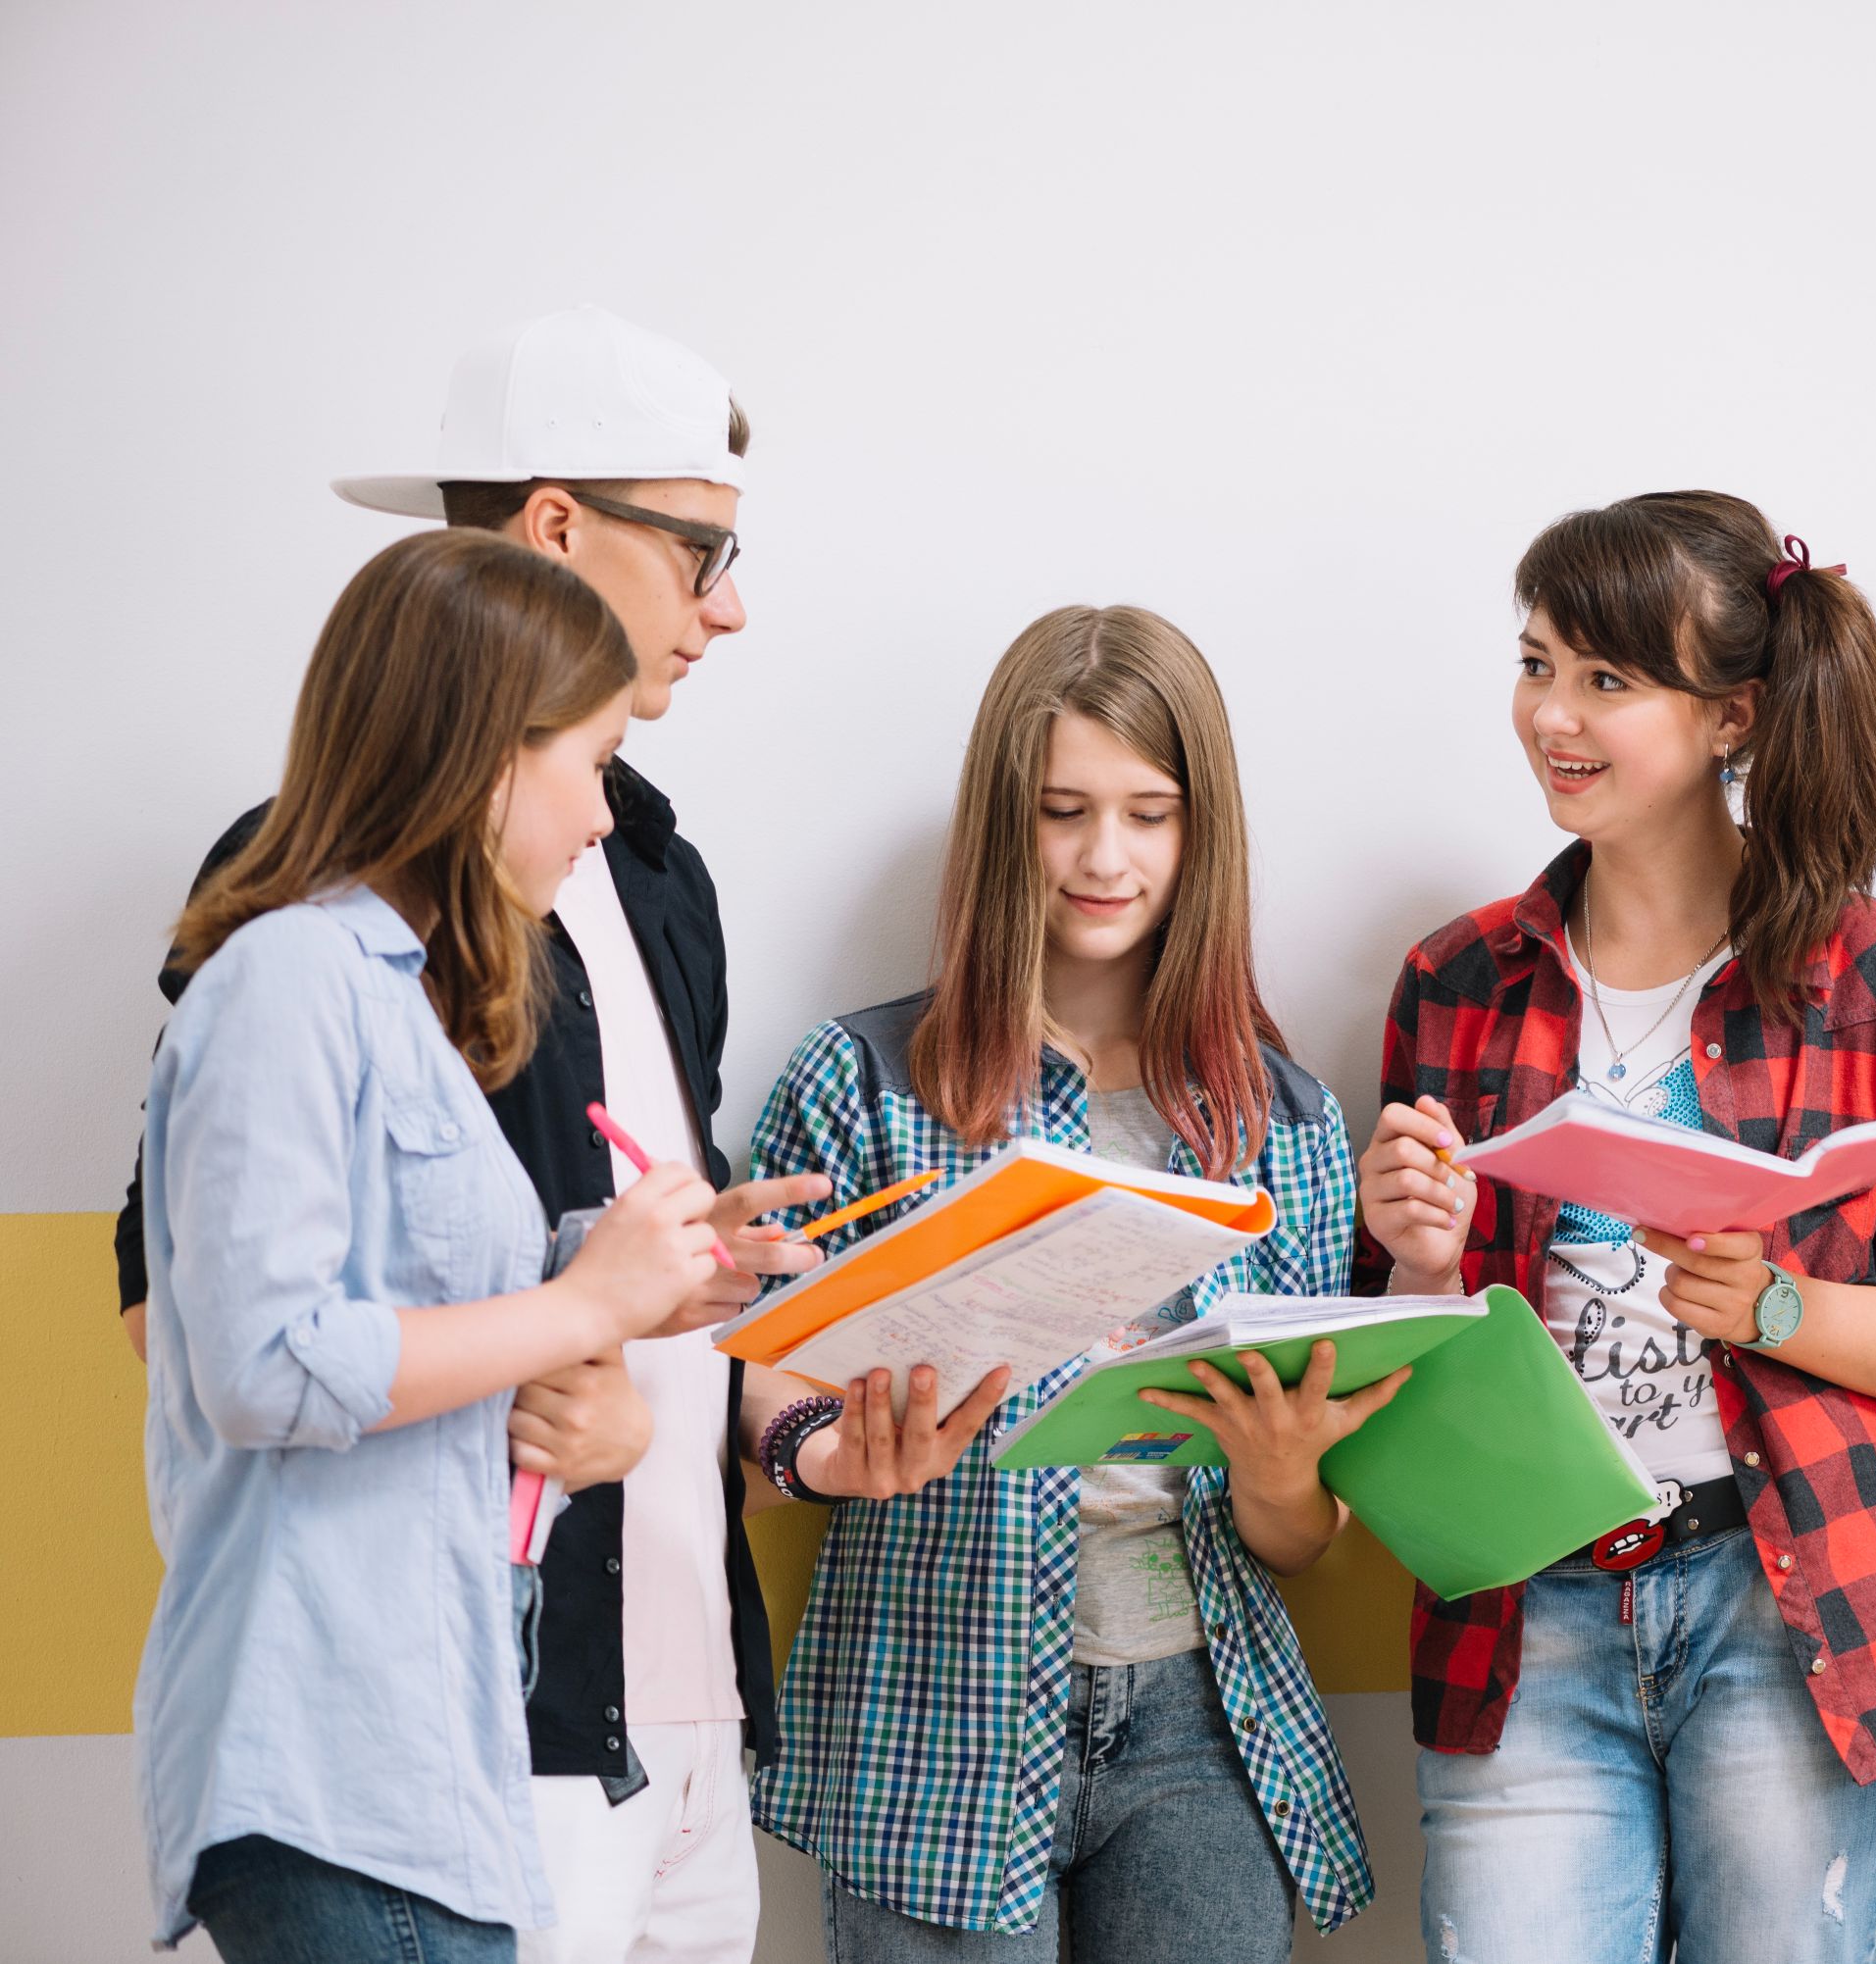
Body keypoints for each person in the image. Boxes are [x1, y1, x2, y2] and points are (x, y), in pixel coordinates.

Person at [112, 304, 981, 1964]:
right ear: (559, 530)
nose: (730, 609)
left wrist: (787, 1428)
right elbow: (201, 1324)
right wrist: (558, 1350)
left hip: (689, 1691)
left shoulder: (656, 870)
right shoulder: (307, 924)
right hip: (474, 1720)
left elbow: (627, 1317)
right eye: (703, 551)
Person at [1354, 493, 1876, 1963]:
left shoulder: (1866, 968)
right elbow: (1375, 1372)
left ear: (1733, 716)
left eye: (1606, 679)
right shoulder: (1457, 981)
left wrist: (1779, 1310)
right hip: (1525, 1617)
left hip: (1792, 1609)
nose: (1552, 714)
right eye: (1536, 665)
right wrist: (1415, 1258)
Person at [748, 606, 1385, 1961]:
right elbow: (762, 1383)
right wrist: (826, 1453)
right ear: (1002, 826)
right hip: (932, 1718)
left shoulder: (1283, 1120)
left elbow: (1303, 1533)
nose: (1107, 857)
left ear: (1199, 832)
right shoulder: (857, 1081)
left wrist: (1281, 1474)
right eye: (1062, 811)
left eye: (1150, 814)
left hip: (1205, 1734)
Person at [138, 529, 729, 1958]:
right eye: (588, 765)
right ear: (484, 757)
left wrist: (647, 1276)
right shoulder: (287, 979)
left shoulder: (404, 1001)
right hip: (334, 1757)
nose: (604, 820)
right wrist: (584, 1296)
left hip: (427, 1750)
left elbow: (424, 1296)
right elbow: (267, 1364)